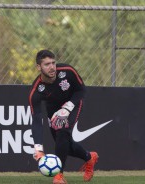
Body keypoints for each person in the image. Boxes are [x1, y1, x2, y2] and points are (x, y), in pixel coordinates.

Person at [29, 50, 98, 184]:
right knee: (63, 143)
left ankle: (58, 175)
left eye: (53, 63)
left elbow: (81, 90)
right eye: (47, 64)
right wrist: (38, 149)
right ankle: (89, 157)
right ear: (39, 67)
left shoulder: (67, 71)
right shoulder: (36, 91)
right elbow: (37, 118)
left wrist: (68, 107)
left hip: (73, 103)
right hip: (53, 109)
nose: (52, 67)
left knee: (62, 132)